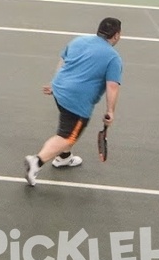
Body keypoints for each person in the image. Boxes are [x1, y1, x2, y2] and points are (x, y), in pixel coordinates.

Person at [24, 17, 123, 187]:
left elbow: (63, 61)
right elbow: (112, 87)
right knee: (67, 136)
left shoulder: (79, 40)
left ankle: (64, 158)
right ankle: (36, 162)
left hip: (60, 91)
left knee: (69, 127)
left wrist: (54, 84)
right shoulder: (113, 58)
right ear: (116, 36)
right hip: (77, 101)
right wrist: (110, 111)